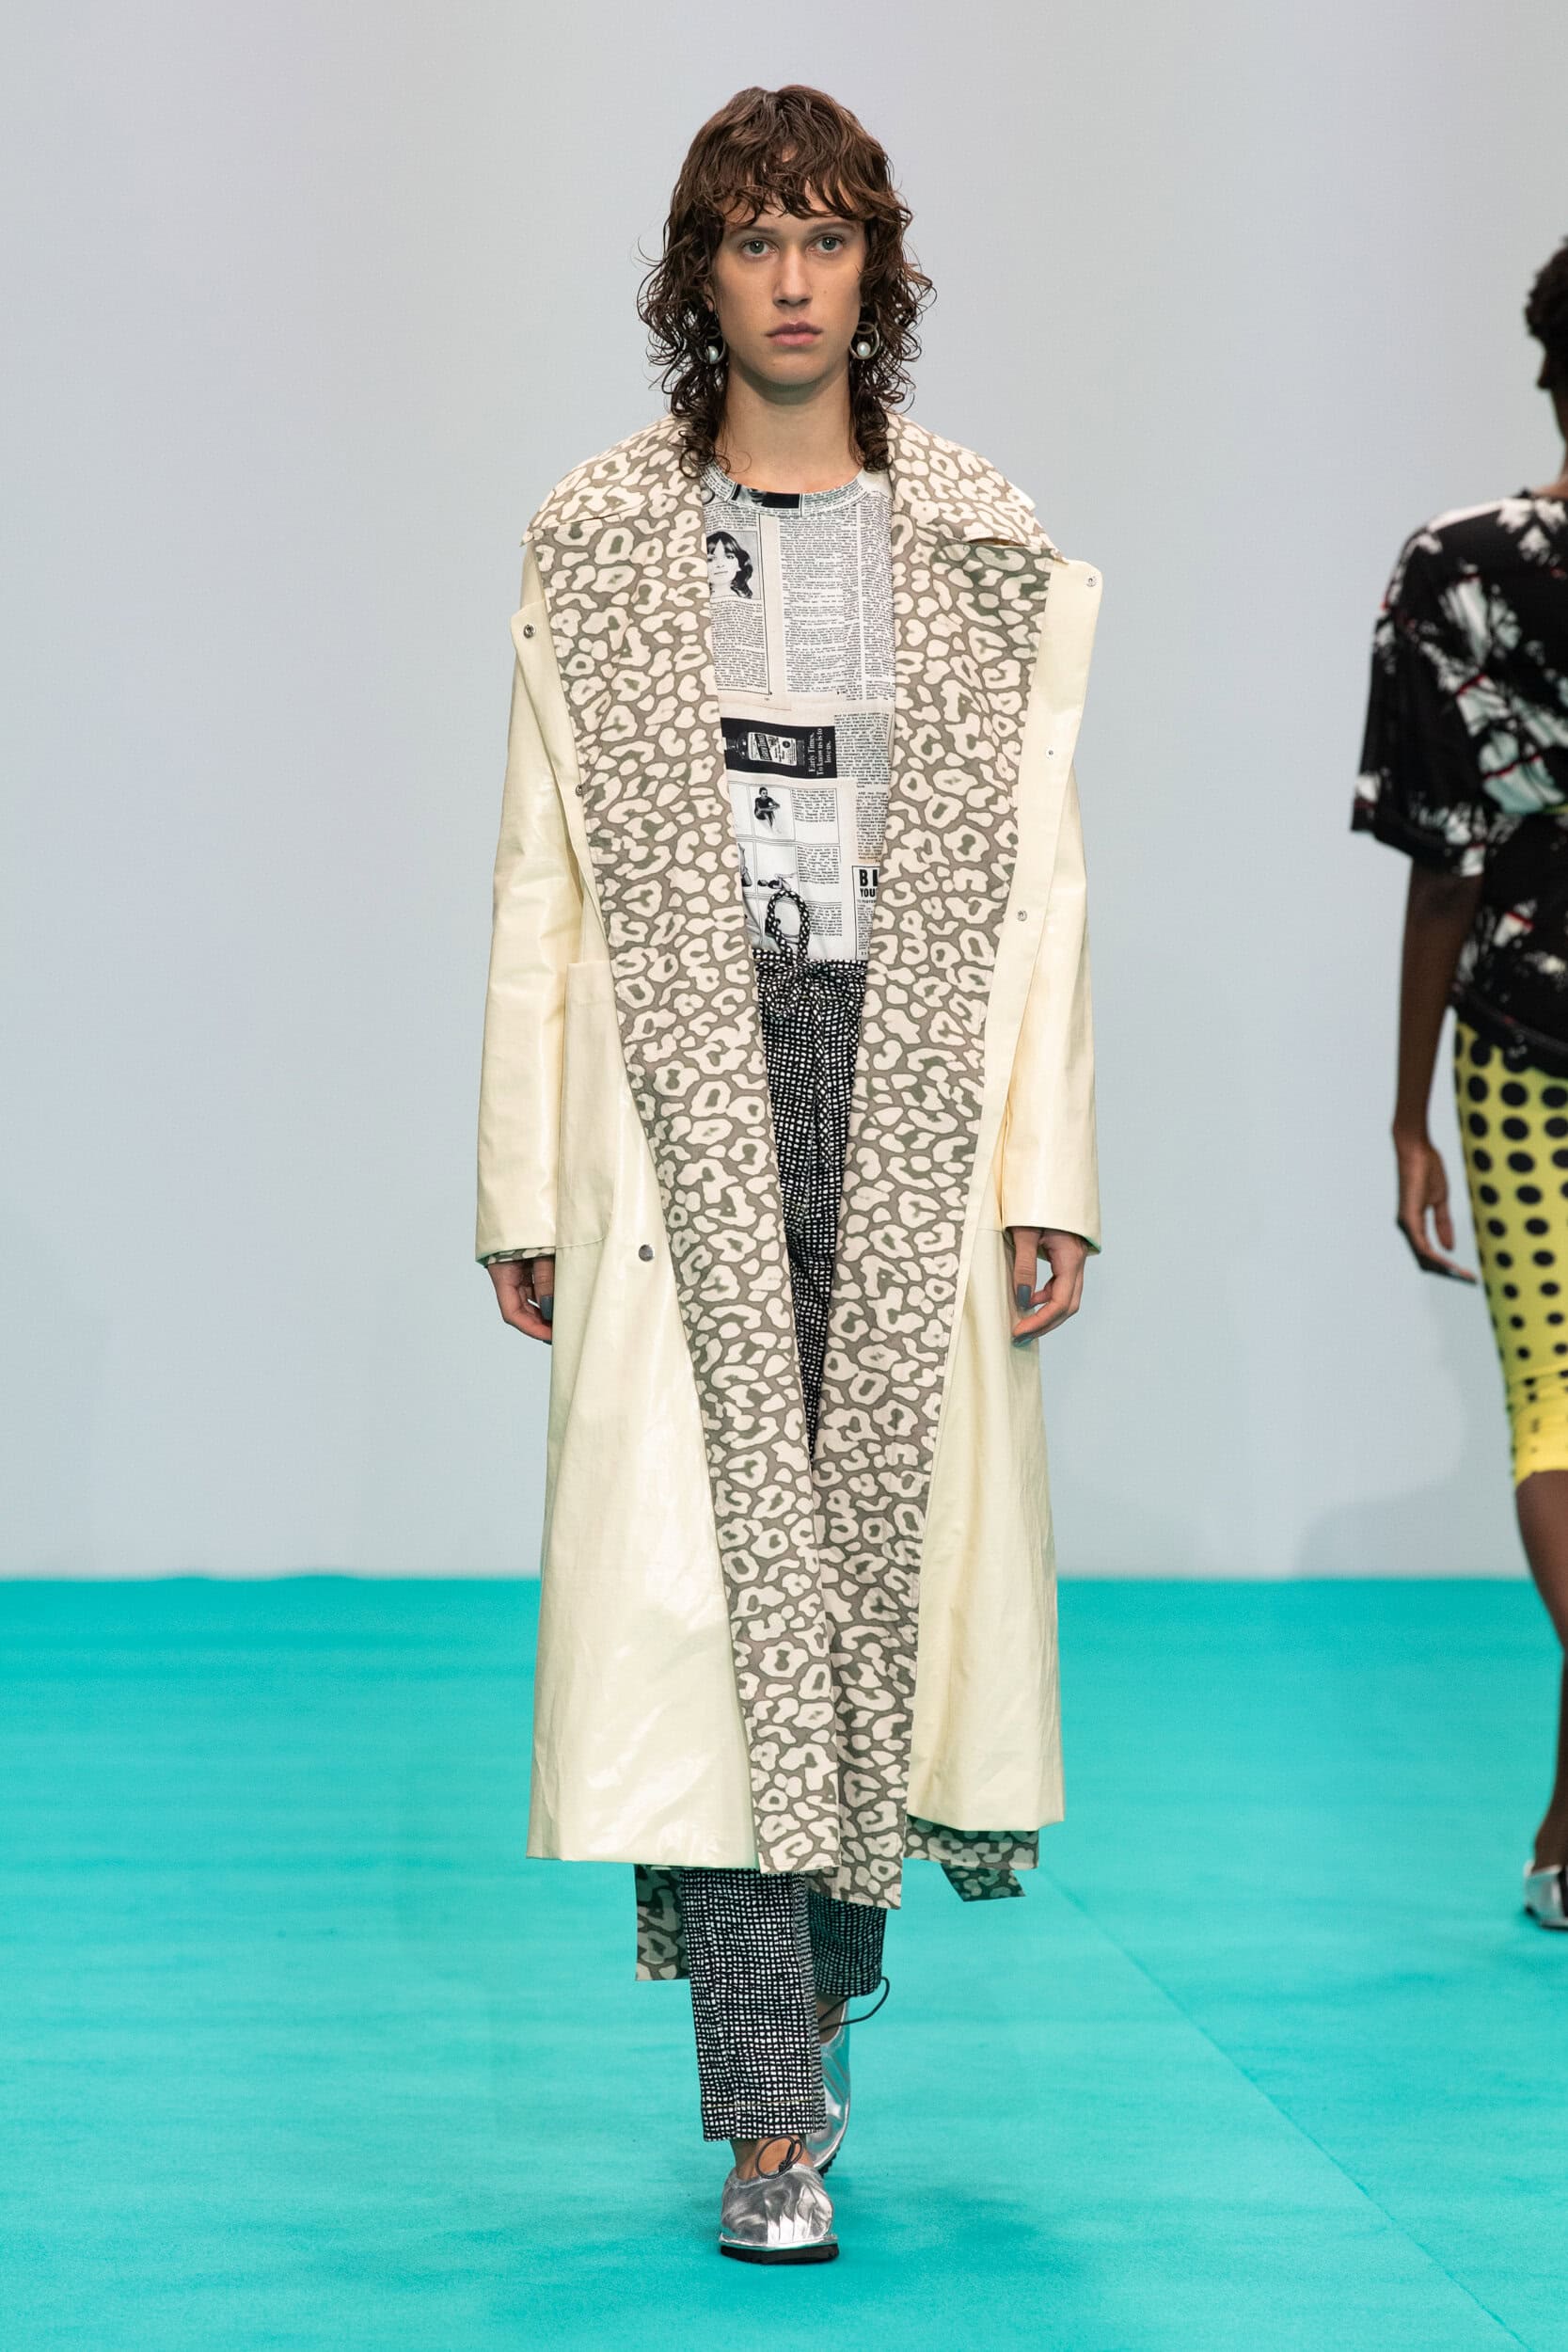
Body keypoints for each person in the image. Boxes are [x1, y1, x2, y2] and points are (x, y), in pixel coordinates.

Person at [476, 85, 1102, 2261]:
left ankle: (817, 2006)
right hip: (677, 1085)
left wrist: (1049, 1164)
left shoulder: (978, 534)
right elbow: (540, 879)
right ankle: (764, 2116)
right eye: (756, 239)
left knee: (873, 1571)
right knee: (715, 1584)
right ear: (701, 275)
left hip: (911, 1064)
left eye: (829, 238)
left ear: (877, 269)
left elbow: (1044, 886)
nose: (795, 279)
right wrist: (522, 1181)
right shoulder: (597, 534)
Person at [1354, 236, 1568, 1931]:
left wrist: (1406, 1110)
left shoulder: (1463, 570)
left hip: (1523, 1043)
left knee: (1559, 1411)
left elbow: (1446, 861)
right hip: (1523, 1041)